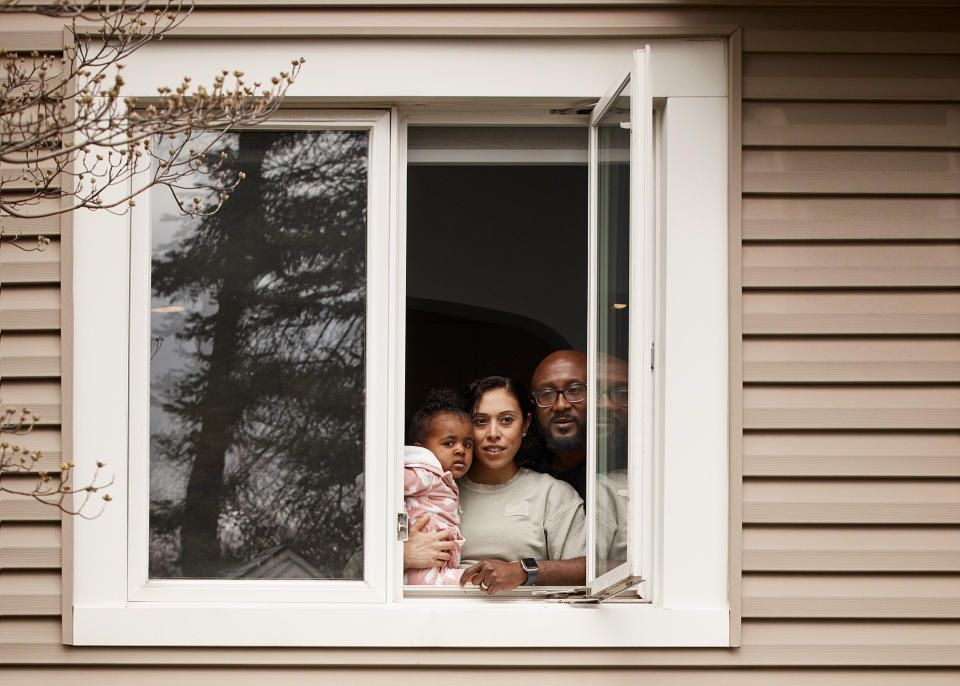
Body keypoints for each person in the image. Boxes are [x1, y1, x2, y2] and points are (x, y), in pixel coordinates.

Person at [457, 376, 586, 594]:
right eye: (480, 421)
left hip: (532, 622)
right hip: (443, 618)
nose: (493, 433)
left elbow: (586, 570)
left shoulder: (552, 494)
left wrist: (523, 571)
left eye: (506, 420)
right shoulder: (441, 491)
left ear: (525, 425)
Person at [403, 389, 473, 585]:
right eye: (449, 443)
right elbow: (383, 484)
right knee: (473, 583)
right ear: (421, 450)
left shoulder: (441, 479)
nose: (460, 449)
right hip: (421, 568)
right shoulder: (425, 473)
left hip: (434, 565)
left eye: (467, 444)